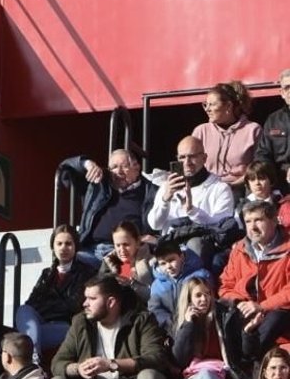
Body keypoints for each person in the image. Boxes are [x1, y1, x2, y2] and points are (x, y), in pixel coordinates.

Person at [148, 136, 237, 273]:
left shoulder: (220, 188)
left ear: (204, 158)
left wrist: (192, 211)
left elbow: (221, 226)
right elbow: (155, 224)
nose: (187, 162)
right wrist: (165, 199)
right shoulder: (167, 186)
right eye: (182, 158)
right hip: (170, 249)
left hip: (200, 248)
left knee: (194, 245)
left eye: (192, 157)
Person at [172, 277, 243, 379]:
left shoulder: (223, 316)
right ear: (189, 299)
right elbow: (179, 359)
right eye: (198, 295)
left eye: (207, 294)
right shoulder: (180, 323)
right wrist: (188, 325)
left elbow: (241, 353)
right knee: (205, 376)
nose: (204, 299)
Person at [218, 200, 290, 359]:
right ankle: (235, 361)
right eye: (248, 221)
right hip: (247, 310)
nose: (253, 227)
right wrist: (239, 302)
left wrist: (262, 306)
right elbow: (226, 286)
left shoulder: (288, 247)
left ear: (273, 220)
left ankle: (250, 360)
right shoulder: (239, 248)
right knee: (219, 309)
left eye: (258, 220)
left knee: (276, 317)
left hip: (279, 312)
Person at [57, 148, 161, 257]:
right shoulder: (99, 182)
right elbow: (64, 168)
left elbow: (163, 228)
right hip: (88, 249)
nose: (118, 172)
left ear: (137, 167)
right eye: (114, 167)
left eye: (124, 166)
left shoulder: (152, 192)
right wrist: (87, 164)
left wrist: (155, 240)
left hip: (124, 253)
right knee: (66, 264)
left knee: (126, 273)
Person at [15, 225, 99, 354]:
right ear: (53, 247)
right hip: (42, 323)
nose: (63, 248)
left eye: (68, 244)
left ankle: (32, 354)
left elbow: (74, 306)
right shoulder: (47, 274)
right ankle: (34, 357)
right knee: (23, 310)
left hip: (66, 326)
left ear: (76, 246)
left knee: (23, 339)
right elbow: (32, 303)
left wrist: (46, 304)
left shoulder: (86, 273)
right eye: (59, 244)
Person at [192, 80, 260, 187]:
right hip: (206, 190)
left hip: (240, 191)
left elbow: (258, 167)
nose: (207, 109)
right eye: (205, 104)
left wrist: (231, 186)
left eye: (212, 105)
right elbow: (190, 164)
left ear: (228, 106)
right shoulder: (201, 131)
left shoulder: (252, 130)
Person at [255, 69, 290, 188]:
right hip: (279, 181)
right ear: (282, 92)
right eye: (287, 88)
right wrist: (269, 175)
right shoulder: (273, 120)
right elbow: (263, 153)